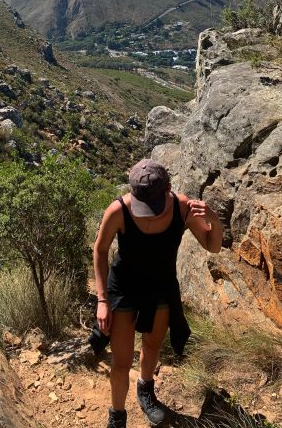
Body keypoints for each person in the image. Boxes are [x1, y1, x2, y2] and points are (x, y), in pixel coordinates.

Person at [93, 159, 223, 428]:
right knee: (121, 360)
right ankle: (117, 417)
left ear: (169, 189)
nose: (148, 212)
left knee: (152, 347)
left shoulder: (182, 206)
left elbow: (212, 245)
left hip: (161, 286)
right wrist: (102, 300)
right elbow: (100, 250)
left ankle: (145, 390)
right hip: (124, 288)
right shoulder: (119, 210)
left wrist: (213, 219)